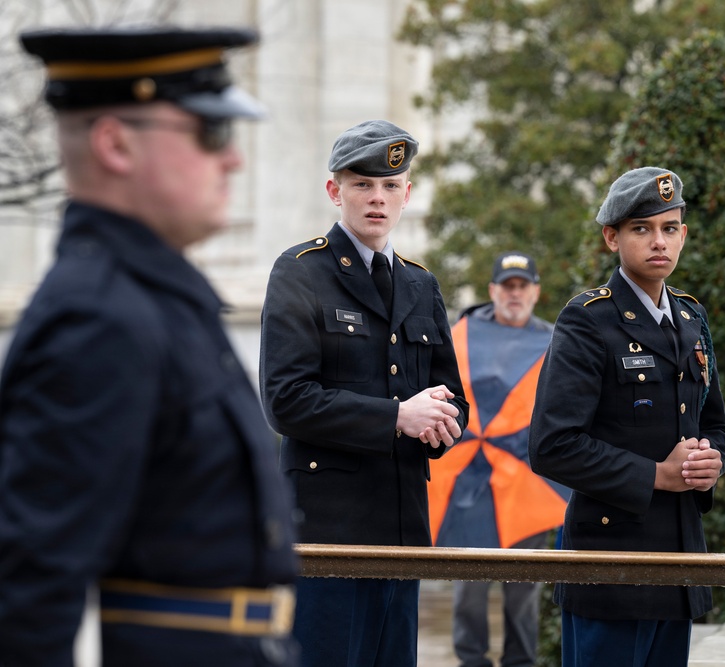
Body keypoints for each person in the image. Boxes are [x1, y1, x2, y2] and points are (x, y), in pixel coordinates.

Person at [0, 27, 299, 667]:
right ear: (115, 143)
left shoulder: (153, 300)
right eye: (210, 132)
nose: (234, 160)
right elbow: (30, 593)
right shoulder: (99, 318)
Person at [259, 119, 469, 667]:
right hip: (329, 534)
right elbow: (286, 400)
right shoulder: (300, 271)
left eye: (390, 186)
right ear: (335, 191)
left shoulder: (421, 283)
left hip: (401, 527)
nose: (377, 198)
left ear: (407, 194)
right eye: (361, 184)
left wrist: (443, 423)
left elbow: (454, 398)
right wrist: (398, 416)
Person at [528, 166, 725, 667]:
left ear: (683, 235)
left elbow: (715, 425)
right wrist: (658, 475)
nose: (657, 241)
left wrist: (713, 464)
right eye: (641, 229)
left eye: (668, 228)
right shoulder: (588, 319)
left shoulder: (691, 317)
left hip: (679, 556)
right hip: (610, 561)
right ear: (611, 237)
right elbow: (552, 445)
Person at [428, 251, 564, 667]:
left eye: (523, 286)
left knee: (523, 587)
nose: (515, 293)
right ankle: (471, 660)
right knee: (469, 585)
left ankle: (520, 662)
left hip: (528, 482)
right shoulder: (461, 336)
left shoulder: (555, 341)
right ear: (492, 291)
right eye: (507, 286)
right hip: (469, 478)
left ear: (536, 292)